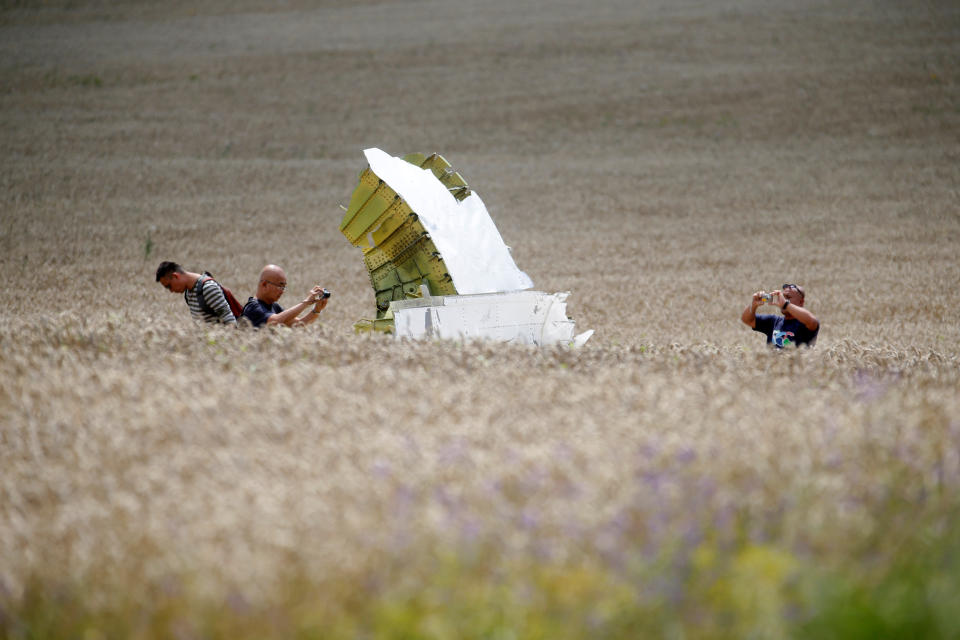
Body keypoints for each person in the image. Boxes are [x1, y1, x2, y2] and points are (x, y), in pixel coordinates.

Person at [242, 264, 329, 328]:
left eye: (284, 287)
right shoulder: (253, 307)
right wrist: (306, 302)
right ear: (264, 285)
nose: (282, 291)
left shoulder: (275, 307)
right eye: (280, 286)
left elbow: (298, 325)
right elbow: (274, 321)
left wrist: (316, 310)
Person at [156, 261, 237, 325]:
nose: (171, 291)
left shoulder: (207, 288)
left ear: (175, 276)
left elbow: (229, 320)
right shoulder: (188, 292)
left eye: (169, 286)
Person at [741, 283, 819, 348]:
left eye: (788, 297)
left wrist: (786, 304)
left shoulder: (804, 323)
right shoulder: (774, 321)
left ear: (801, 302)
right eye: (783, 297)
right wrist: (753, 305)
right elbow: (747, 320)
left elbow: (812, 321)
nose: (784, 300)